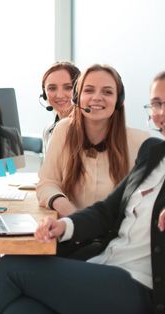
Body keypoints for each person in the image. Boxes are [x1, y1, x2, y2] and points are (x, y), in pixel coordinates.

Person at [0, 64, 165, 314]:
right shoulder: (154, 153)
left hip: (144, 291)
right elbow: (107, 210)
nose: (164, 110)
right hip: (108, 266)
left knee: (11, 267)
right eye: (157, 103)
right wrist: (64, 225)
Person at [36, 64, 149, 218]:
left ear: (118, 100)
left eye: (107, 92)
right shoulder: (63, 131)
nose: (96, 98)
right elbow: (47, 182)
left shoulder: (140, 142)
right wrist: (71, 213)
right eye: (88, 90)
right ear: (77, 97)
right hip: (72, 230)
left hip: (118, 237)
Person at [40, 61, 81, 154]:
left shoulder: (90, 130)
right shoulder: (48, 130)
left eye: (68, 87)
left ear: (80, 90)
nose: (59, 95)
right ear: (44, 94)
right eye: (52, 88)